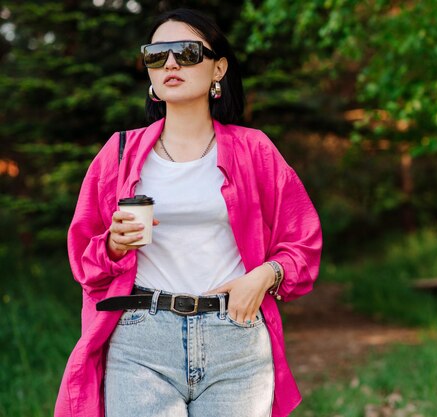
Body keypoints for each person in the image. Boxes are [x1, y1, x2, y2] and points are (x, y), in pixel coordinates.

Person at [54, 8, 322, 417]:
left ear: (219, 67)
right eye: (157, 55)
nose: (171, 63)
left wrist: (265, 276)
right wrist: (112, 244)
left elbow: (303, 241)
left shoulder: (255, 151)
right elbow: (84, 261)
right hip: (141, 340)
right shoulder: (120, 153)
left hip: (236, 341)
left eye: (187, 51)